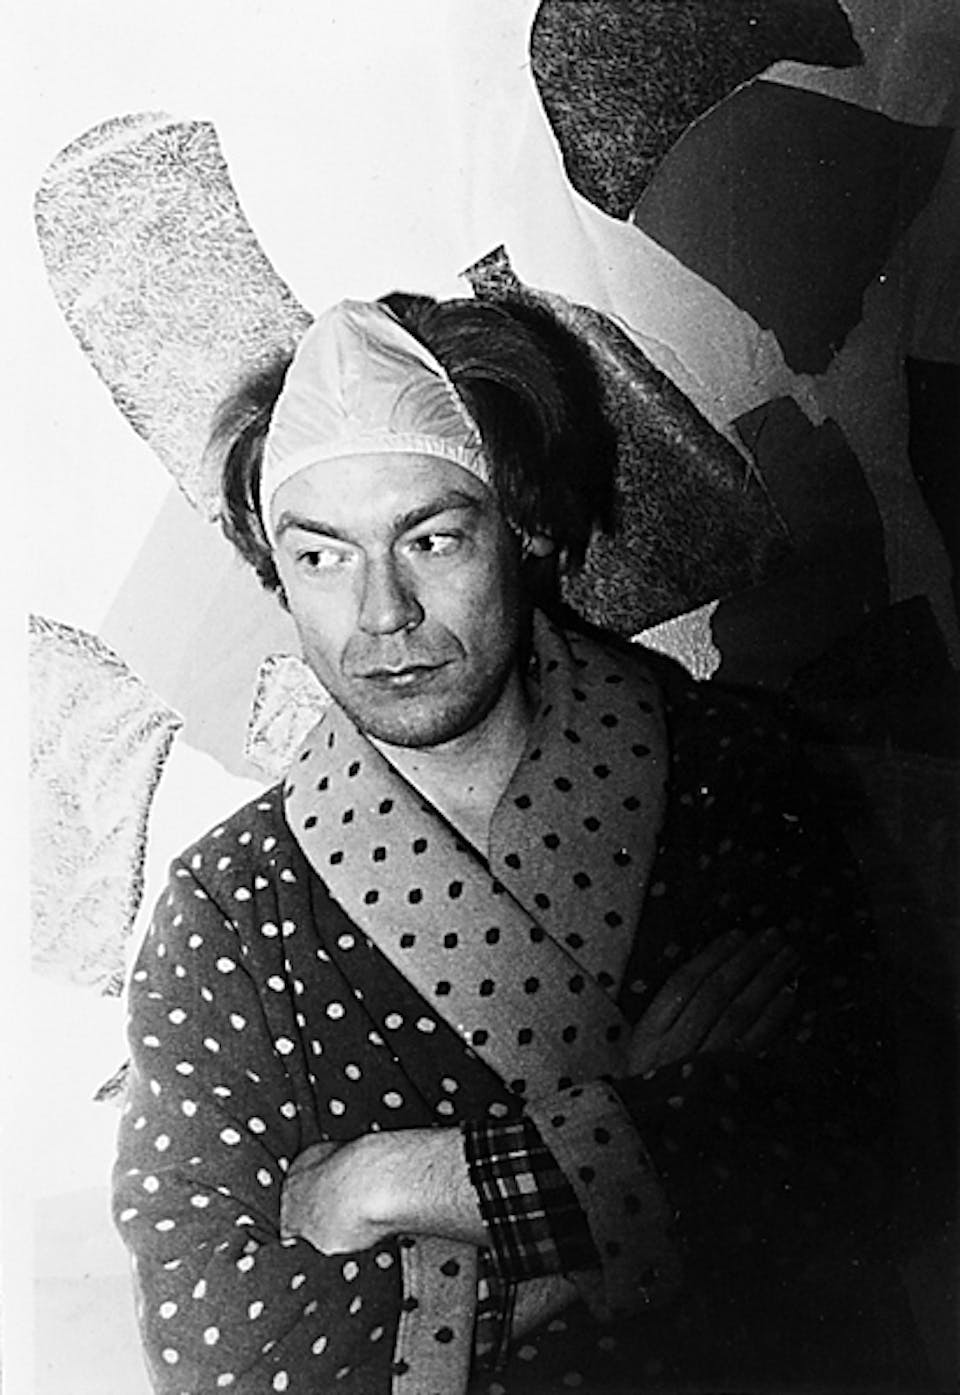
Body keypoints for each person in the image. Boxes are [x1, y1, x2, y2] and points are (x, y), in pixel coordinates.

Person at [113, 293, 928, 1394]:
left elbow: (875, 1156)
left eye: (431, 539)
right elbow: (225, 1349)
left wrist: (399, 1181)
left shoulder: (729, 770)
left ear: (526, 528)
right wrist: (628, 1128)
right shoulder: (230, 912)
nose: (384, 611)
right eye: (322, 558)